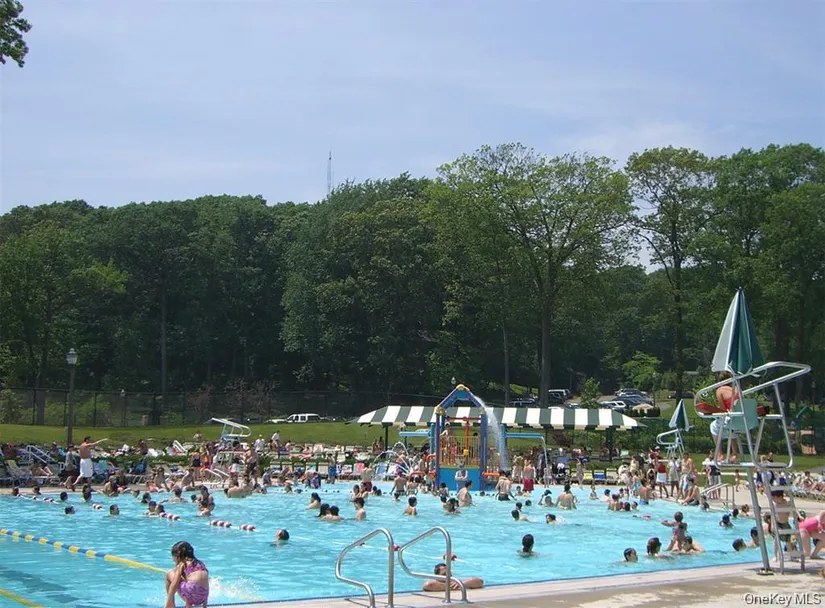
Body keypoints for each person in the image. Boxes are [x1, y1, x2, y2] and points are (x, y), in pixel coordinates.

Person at [165, 541, 209, 608]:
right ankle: (189, 605)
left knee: (168, 574)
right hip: (203, 598)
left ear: (178, 556)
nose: (173, 559)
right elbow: (204, 584)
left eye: (173, 557)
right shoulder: (201, 564)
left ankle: (171, 605)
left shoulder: (182, 564)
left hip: (190, 599)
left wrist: (168, 601)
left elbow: (174, 584)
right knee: (193, 583)